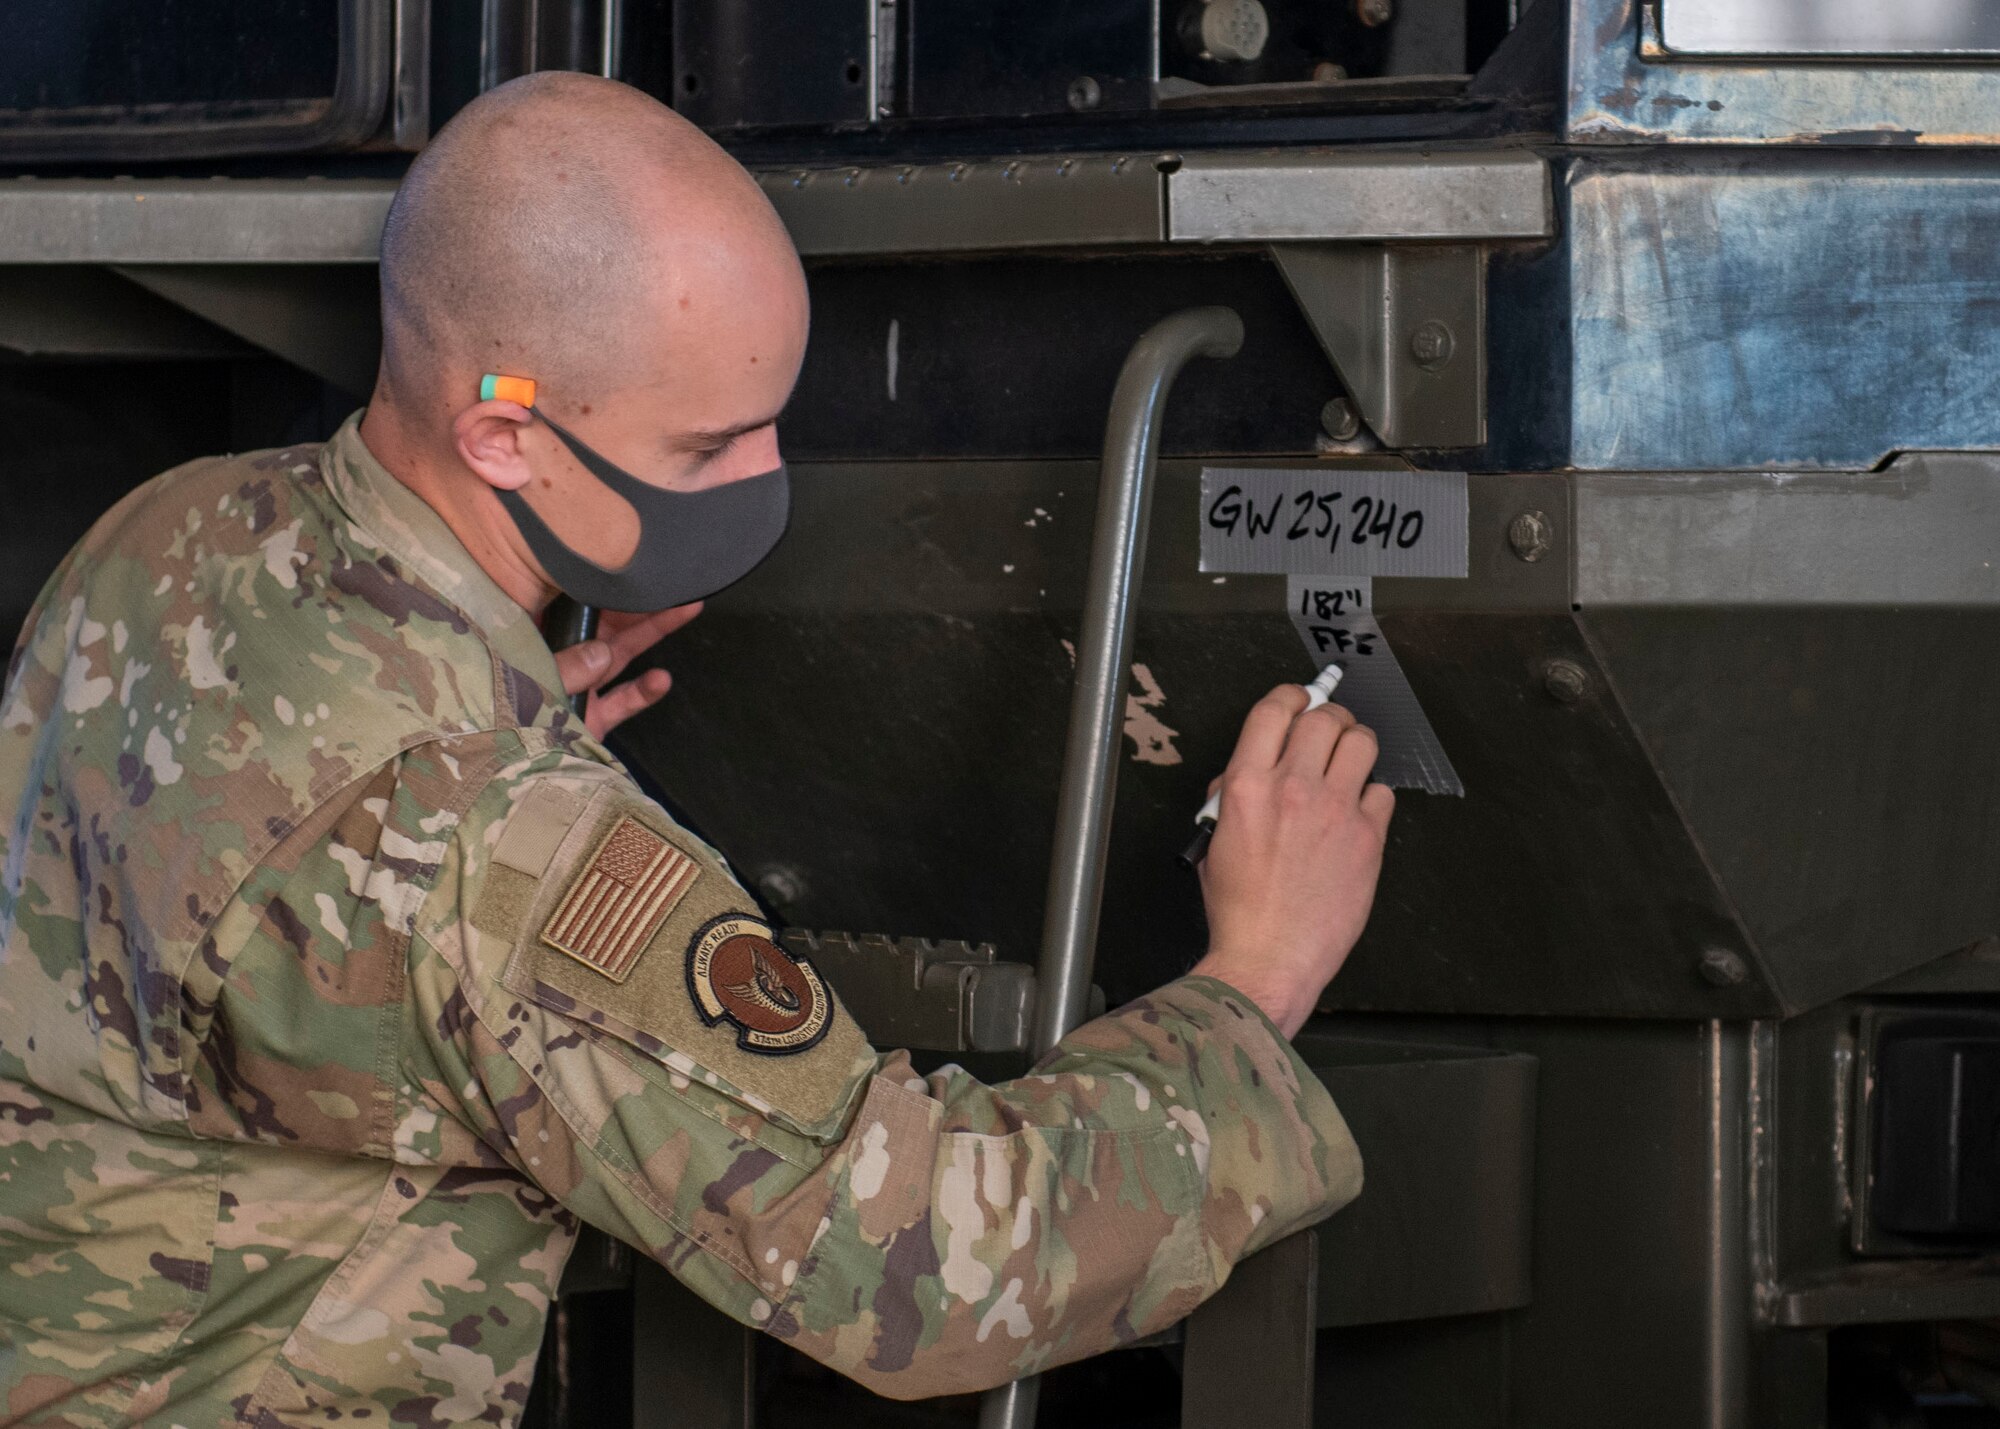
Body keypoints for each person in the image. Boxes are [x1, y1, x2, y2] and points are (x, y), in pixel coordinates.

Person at [0, 72, 1394, 1426]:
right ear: (505, 436)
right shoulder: (502, 853)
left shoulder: (169, 530)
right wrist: (1253, 981)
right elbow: (921, 1265)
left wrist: (498, 722)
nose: (761, 481)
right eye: (707, 445)